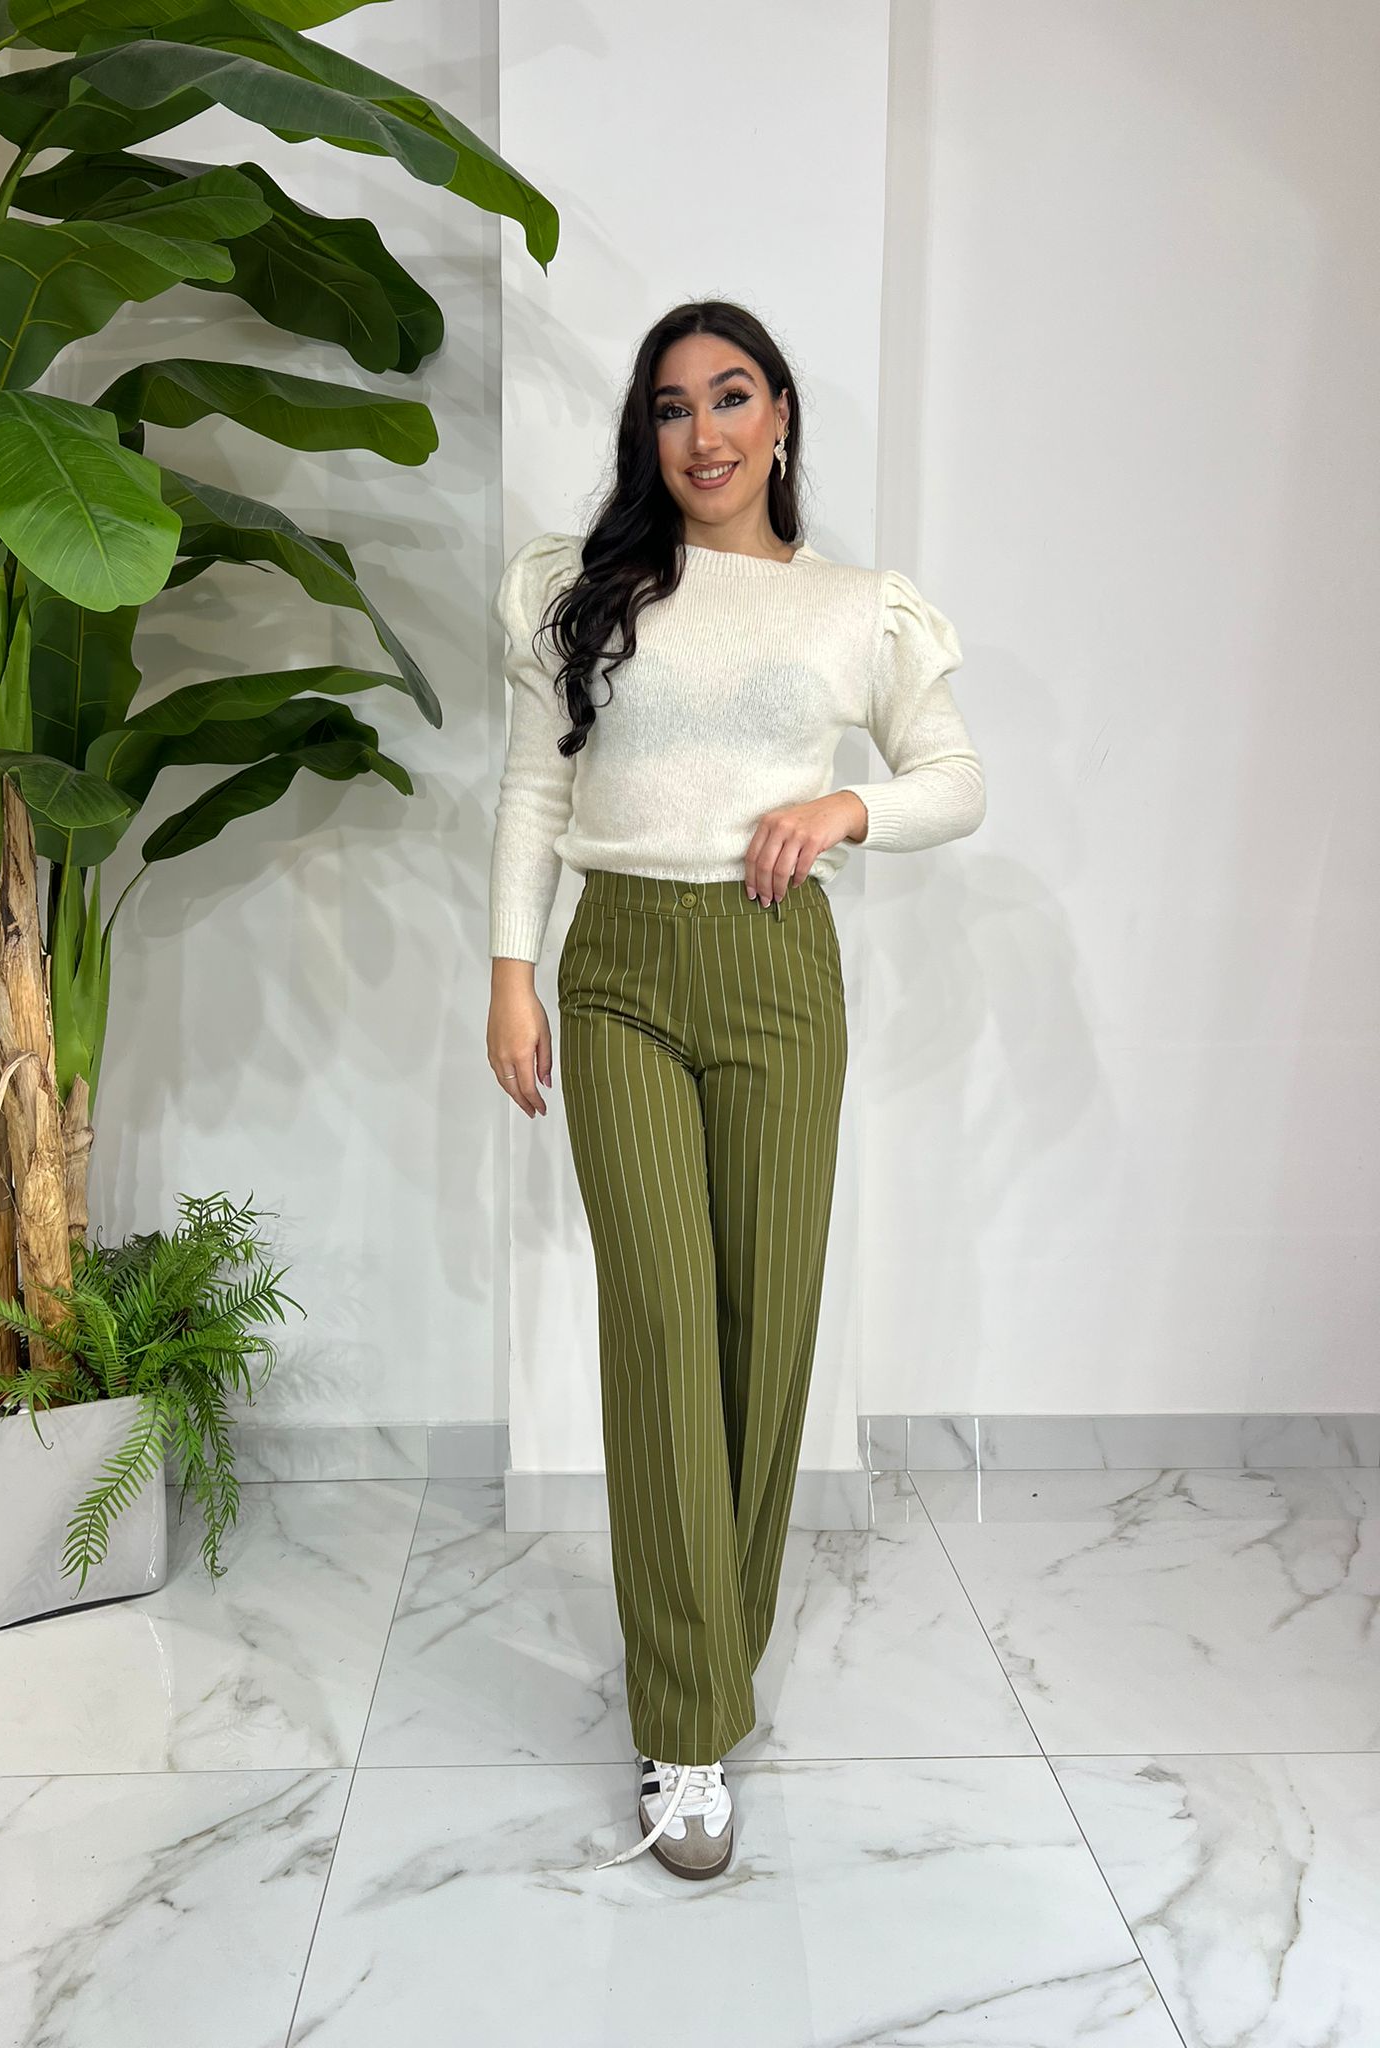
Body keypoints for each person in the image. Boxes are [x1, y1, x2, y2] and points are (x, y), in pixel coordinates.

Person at [484, 300, 986, 1881]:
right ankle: (686, 1724)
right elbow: (535, 786)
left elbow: (956, 780)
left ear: (778, 420)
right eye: (670, 405)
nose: (701, 431)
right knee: (659, 1321)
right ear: (647, 434)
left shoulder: (852, 608)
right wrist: (510, 970)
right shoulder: (586, 593)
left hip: (777, 972)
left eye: (730, 396)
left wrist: (845, 810)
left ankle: (715, 1646)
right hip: (619, 969)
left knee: (765, 1330)